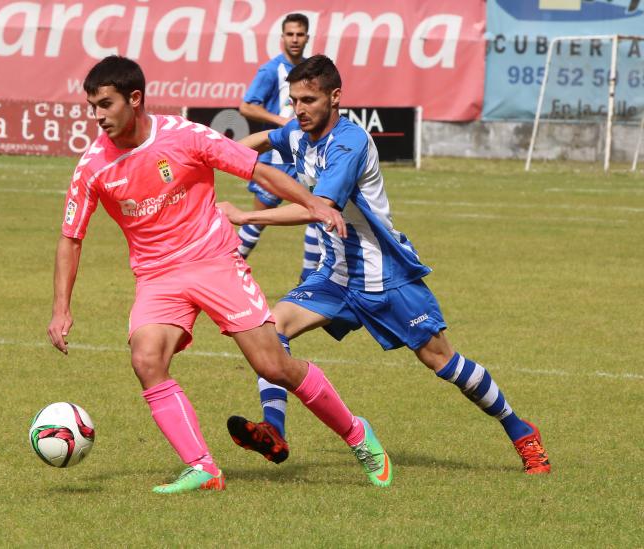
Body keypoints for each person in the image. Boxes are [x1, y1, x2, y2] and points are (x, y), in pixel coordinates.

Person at [47, 55, 394, 494]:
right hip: (158, 276)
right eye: (92, 106)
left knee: (273, 364)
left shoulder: (185, 136)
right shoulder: (93, 166)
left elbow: (258, 169)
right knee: (146, 358)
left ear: (134, 99)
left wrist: (314, 204)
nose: (97, 116)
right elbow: (70, 237)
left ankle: (357, 435)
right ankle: (203, 467)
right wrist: (61, 309)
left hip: (214, 261)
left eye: (105, 104)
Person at [218, 55, 551, 475]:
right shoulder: (300, 132)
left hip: (385, 277)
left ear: (335, 97)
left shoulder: (349, 143)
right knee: (271, 330)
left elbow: (319, 208)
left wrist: (245, 216)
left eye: (309, 99)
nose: (299, 109)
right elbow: (268, 137)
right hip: (335, 277)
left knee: (442, 361)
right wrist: (216, 153)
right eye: (294, 100)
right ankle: (273, 430)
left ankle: (522, 432)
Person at [236, 12, 321, 442]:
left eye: (299, 34)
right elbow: (246, 106)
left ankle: (309, 281)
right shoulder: (272, 71)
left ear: (307, 37)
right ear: (281, 37)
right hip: (276, 157)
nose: (294, 39)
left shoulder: (310, 72)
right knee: (258, 220)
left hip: (299, 153)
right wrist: (281, 124)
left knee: (315, 211)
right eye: (288, 33)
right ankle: (230, 261)